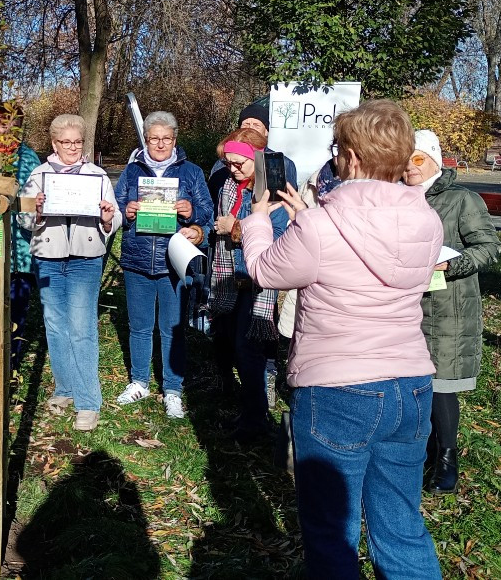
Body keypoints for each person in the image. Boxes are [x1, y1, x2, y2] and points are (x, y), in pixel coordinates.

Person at [241, 99, 444, 578]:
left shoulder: (320, 224)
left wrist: (256, 218)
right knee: (401, 527)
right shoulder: (427, 221)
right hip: (411, 383)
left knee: (332, 536)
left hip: (338, 388)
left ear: (351, 158)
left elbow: (264, 270)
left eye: (337, 150)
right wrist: (304, 222)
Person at [404, 129, 501, 494]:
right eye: (405, 159)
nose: (410, 167)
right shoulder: (395, 197)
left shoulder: (462, 200)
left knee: (441, 385)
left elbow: (489, 246)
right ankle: (417, 453)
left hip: (448, 308)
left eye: (417, 159)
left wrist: (452, 264)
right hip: (403, 304)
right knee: (410, 384)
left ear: (433, 159)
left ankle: (446, 458)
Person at [18, 114, 121, 431]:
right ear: (54, 144)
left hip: (85, 258)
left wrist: (107, 218)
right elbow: (22, 223)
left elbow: (114, 220)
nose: (73, 148)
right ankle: (65, 389)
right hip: (48, 258)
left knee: (81, 326)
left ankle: (88, 402)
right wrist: (34, 211)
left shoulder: (97, 175)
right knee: (55, 325)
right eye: (66, 142)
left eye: (78, 142)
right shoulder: (37, 176)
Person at [114, 111, 212, 420]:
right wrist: (126, 210)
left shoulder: (192, 172)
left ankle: (172, 390)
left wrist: (191, 209)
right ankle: (139, 382)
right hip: (137, 259)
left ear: (175, 140)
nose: (160, 144)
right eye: (154, 138)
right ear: (146, 139)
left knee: (173, 328)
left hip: (174, 262)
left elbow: (207, 212)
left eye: (166, 138)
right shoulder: (132, 172)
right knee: (140, 326)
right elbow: (114, 209)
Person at [208, 127, 289, 441]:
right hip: (229, 282)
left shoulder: (274, 191)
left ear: (257, 157)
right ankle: (248, 414)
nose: (233, 168)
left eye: (239, 162)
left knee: (248, 351)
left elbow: (281, 238)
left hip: (256, 283)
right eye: (228, 162)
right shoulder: (229, 185)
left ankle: (256, 422)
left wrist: (237, 227)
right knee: (235, 348)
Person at [0, 103, 43, 370]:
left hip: (21, 248)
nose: (10, 132)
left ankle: (9, 365)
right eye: (4, 125)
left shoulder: (29, 158)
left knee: (17, 307)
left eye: (16, 127)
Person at [207, 101, 297, 215]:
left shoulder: (278, 164)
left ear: (266, 131)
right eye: (246, 124)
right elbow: (211, 202)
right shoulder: (221, 164)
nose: (250, 128)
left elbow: (281, 212)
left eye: (256, 125)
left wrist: (235, 227)